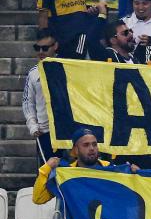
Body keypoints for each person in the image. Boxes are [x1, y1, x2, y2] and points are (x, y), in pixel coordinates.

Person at [33, 128, 115, 205]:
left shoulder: (109, 168)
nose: (92, 148)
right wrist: (47, 167)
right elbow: (38, 198)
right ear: (75, 150)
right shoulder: (65, 173)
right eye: (86, 145)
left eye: (94, 144)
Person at [24, 34, 58, 162]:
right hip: (44, 132)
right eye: (37, 48)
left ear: (55, 46)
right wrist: (32, 124)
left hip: (66, 133)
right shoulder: (33, 73)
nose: (40, 52)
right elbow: (28, 102)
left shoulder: (67, 68)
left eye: (44, 48)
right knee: (45, 173)